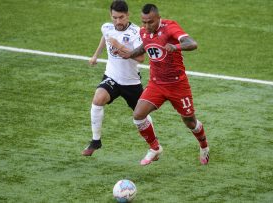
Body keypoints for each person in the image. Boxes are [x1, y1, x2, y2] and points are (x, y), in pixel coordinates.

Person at [110, 3, 209, 165]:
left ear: (158, 18)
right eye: (144, 22)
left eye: (150, 22)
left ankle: (204, 145)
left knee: (189, 121)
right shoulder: (144, 31)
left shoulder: (170, 27)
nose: (146, 26)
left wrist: (175, 46)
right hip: (156, 84)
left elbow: (192, 43)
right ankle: (155, 148)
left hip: (178, 84)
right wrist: (129, 54)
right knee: (138, 115)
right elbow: (145, 45)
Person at [82, 0, 149, 156]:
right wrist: (95, 56)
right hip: (112, 76)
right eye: (114, 17)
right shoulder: (107, 27)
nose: (118, 21)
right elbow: (105, 38)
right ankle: (96, 141)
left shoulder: (136, 32)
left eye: (121, 17)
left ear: (127, 15)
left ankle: (153, 144)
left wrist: (119, 45)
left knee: (141, 116)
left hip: (131, 82)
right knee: (98, 99)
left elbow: (141, 59)